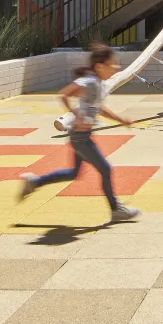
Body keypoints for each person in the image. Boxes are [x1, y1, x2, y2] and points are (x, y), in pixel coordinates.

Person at [20, 42, 141, 223]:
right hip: (80, 138)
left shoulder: (98, 83)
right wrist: (76, 115)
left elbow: (99, 108)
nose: (117, 67)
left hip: (81, 137)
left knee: (73, 173)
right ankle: (116, 210)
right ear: (100, 66)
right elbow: (64, 95)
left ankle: (35, 182)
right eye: (113, 64)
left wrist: (121, 120)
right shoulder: (91, 81)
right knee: (106, 169)